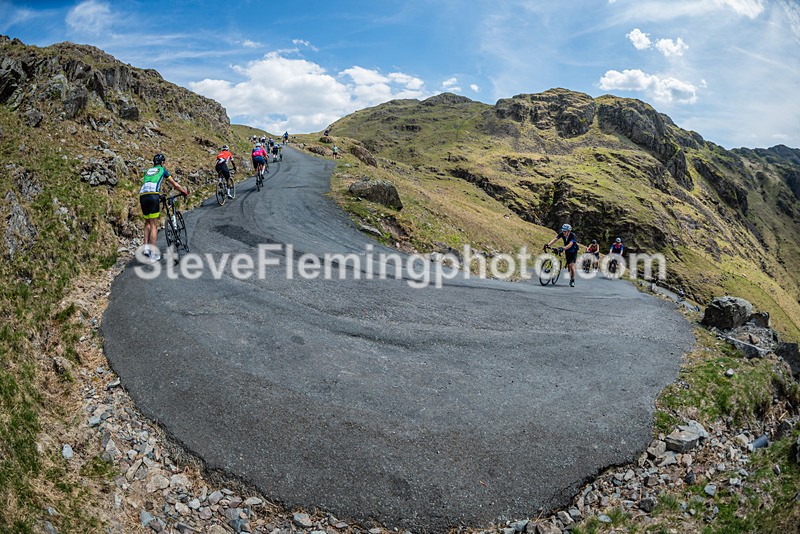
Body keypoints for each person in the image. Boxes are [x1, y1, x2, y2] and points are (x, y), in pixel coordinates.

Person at [139, 153, 188, 261]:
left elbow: (149, 183)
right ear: (162, 163)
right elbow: (174, 184)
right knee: (153, 225)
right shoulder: (162, 170)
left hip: (142, 196)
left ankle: (146, 249)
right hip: (153, 196)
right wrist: (184, 192)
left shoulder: (148, 171)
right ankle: (152, 254)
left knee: (147, 223)